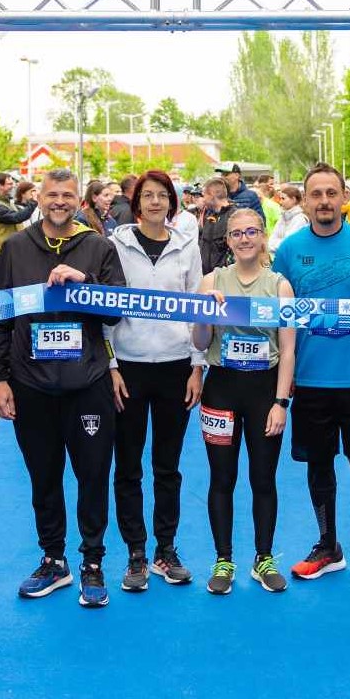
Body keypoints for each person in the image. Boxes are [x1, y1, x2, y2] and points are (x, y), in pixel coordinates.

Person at [0, 169, 128, 609]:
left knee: (93, 476)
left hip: (87, 383)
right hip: (31, 385)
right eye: (52, 194)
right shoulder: (15, 248)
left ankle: (92, 562)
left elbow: (117, 311)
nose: (60, 202)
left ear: (78, 200)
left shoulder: (98, 246)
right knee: (43, 477)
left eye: (68, 195)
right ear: (39, 198)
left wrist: (86, 284)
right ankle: (53, 560)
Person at [273, 164, 350, 586]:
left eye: (331, 193)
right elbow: (277, 316)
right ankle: (327, 545)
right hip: (310, 379)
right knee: (319, 464)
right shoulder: (289, 250)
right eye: (316, 194)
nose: (324, 201)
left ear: (344, 198)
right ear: (305, 201)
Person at [191, 208, 296, 596]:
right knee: (222, 477)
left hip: (264, 392)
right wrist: (205, 313)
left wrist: (281, 402)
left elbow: (288, 350)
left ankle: (263, 558)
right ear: (228, 241)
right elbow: (199, 342)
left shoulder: (280, 286)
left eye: (252, 231)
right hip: (221, 388)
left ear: (263, 236)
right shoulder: (211, 280)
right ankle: (223, 559)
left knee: (263, 478)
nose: (245, 239)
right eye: (237, 233)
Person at [107, 170, 203, 590]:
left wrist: (197, 365)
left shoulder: (187, 246)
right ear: (136, 202)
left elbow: (197, 307)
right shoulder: (115, 245)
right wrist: (111, 365)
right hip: (128, 367)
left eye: (163, 195)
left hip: (175, 365)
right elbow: (106, 306)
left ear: (172, 203)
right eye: (147, 195)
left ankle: (166, 549)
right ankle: (136, 553)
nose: (155, 202)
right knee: (128, 467)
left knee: (168, 466)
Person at [0, 172, 37, 253]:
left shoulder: (7, 202)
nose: (13, 186)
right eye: (9, 184)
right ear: (0, 186)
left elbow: (21, 212)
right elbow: (16, 217)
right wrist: (33, 202)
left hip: (12, 249)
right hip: (3, 252)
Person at [197, 177, 236, 274]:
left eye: (204, 195)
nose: (203, 199)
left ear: (211, 195)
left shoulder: (234, 217)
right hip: (206, 276)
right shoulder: (210, 216)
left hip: (224, 277)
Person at [267, 183, 308, 251]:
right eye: (280, 199)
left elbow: (287, 244)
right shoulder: (283, 217)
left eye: (283, 198)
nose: (280, 202)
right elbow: (271, 240)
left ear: (293, 199)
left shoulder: (300, 219)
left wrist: (275, 244)